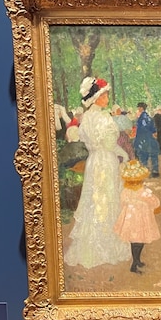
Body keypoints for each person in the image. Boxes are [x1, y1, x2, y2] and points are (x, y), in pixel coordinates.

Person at [64, 77, 131, 269]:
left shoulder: (86, 118)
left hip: (94, 161)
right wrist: (123, 154)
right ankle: (106, 244)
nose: (107, 97)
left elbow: (89, 142)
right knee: (107, 197)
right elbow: (109, 144)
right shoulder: (103, 117)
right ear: (96, 98)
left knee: (95, 198)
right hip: (105, 161)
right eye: (104, 95)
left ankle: (93, 244)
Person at [114, 161, 161, 273]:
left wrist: (131, 203)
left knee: (136, 241)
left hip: (131, 218)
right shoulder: (143, 190)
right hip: (140, 218)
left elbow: (122, 202)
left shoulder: (126, 191)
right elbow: (154, 201)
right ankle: (134, 264)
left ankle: (137, 260)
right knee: (138, 241)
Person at [133, 102, 160, 178]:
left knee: (143, 154)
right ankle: (155, 171)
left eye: (139, 108)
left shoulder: (142, 117)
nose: (138, 109)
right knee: (152, 154)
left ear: (141, 108)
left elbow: (143, 128)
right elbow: (153, 129)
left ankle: (145, 170)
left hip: (143, 138)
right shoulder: (148, 117)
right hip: (149, 138)